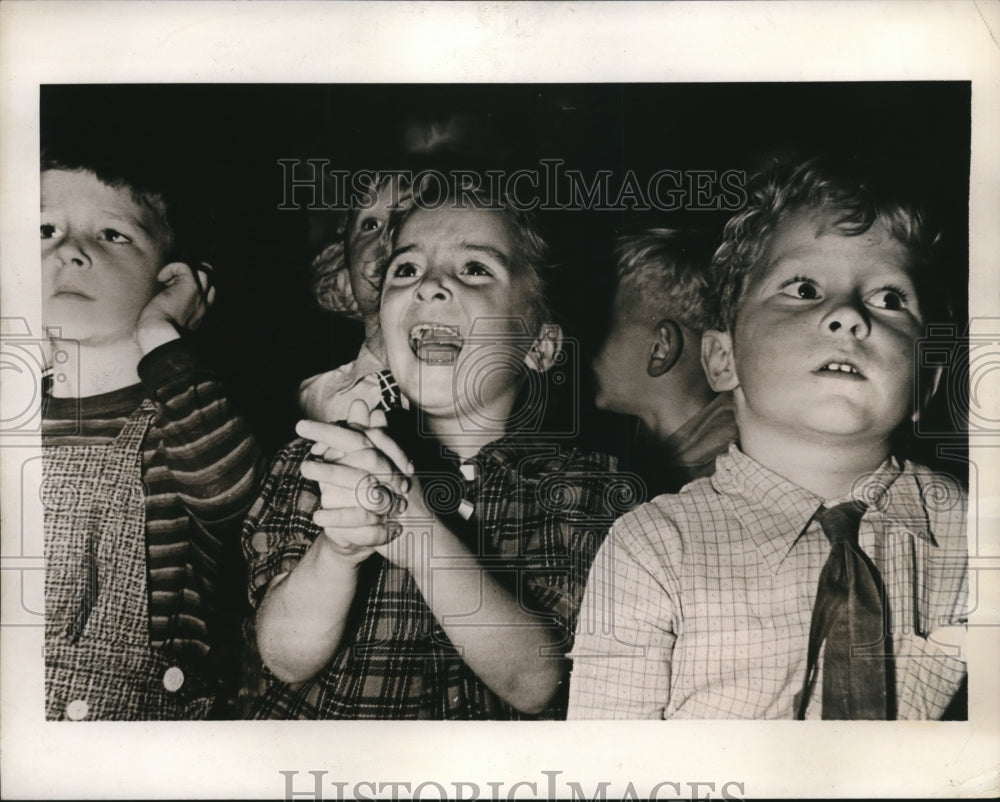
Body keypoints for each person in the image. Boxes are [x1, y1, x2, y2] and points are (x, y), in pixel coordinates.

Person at [567, 156, 968, 720]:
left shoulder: (976, 535)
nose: (849, 316)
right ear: (723, 358)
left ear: (927, 382)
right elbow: (605, 756)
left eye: (889, 299)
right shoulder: (653, 547)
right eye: (804, 289)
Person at [243, 182, 621, 719]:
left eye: (474, 268)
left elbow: (537, 682)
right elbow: (284, 657)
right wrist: (339, 551)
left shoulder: (587, 488)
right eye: (406, 269)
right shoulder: (322, 460)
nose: (430, 286)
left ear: (539, 345)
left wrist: (420, 534)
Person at [41, 153, 263, 720]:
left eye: (112, 234)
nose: (69, 250)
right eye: (44, 229)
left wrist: (160, 334)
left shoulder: (183, 413)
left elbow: (227, 491)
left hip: (136, 720)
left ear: (171, 280)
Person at [592, 229, 737, 497]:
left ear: (661, 348)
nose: (590, 347)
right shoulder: (648, 461)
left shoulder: (724, 486)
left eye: (603, 327)